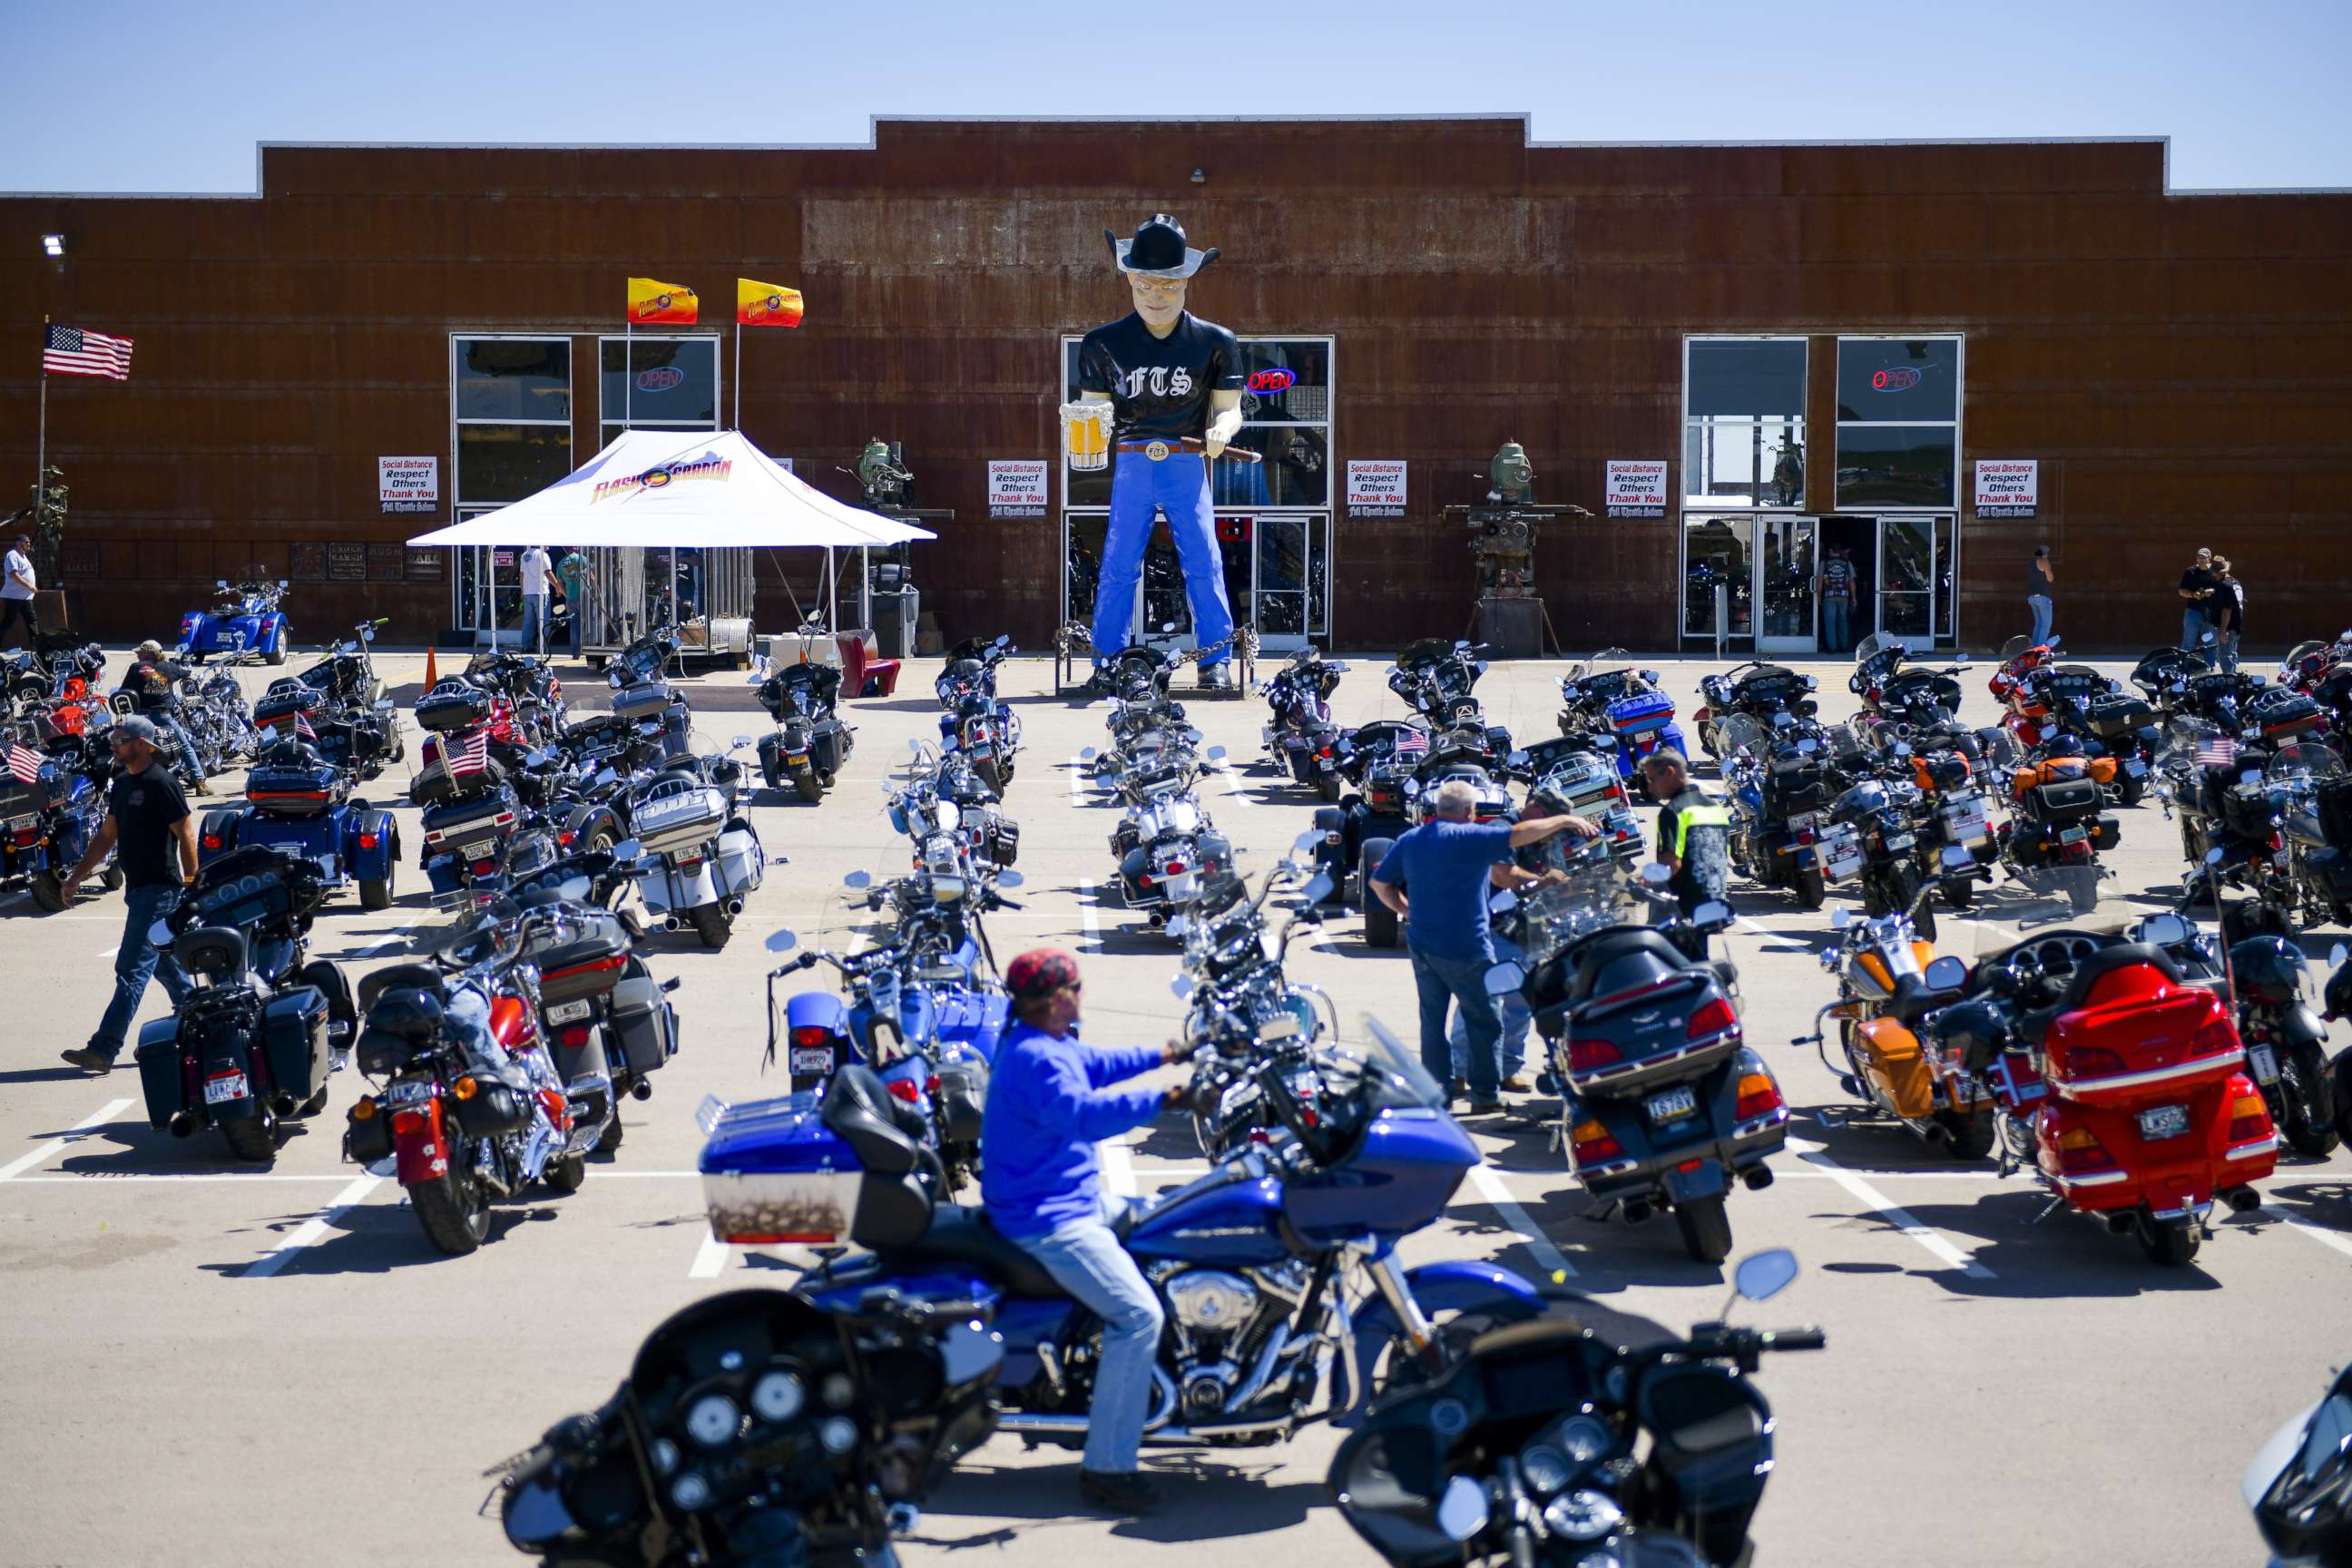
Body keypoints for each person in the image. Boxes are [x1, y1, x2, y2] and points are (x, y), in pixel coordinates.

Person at [980, 947, 1200, 1512]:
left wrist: (1169, 1052)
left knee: (1176, 1221)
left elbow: (1097, 1065)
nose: (1083, 994)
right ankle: (1107, 1466)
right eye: (1076, 988)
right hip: (1050, 1218)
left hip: (1069, 1199)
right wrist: (1171, 1097)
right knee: (1138, 1316)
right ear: (1057, 1000)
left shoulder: (1049, 1042)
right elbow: (1085, 1115)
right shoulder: (1036, 1058)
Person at [1063, 213, 1245, 693]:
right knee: (1119, 561)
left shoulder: (1216, 341)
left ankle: (1214, 661)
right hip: (1132, 458)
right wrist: (1085, 425)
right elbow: (1095, 410)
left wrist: (1221, 429)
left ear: (1186, 281)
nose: (1155, 295)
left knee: (1204, 559)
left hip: (1188, 457)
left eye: (1166, 285)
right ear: (1128, 279)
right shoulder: (1102, 344)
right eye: (1144, 284)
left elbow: (1231, 409)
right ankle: (1107, 660)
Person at [1369, 780, 1597, 1114]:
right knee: (1486, 1020)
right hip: (1468, 945)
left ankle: (1439, 1092)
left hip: (1423, 944)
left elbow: (1379, 883)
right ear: (1469, 811)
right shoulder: (1472, 837)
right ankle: (1485, 1096)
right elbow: (1520, 834)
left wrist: (1406, 911)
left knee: (1431, 1021)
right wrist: (1563, 821)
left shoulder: (1411, 839)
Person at [58, 717, 198, 1074]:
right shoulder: (121, 784)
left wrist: (191, 880)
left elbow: (186, 835)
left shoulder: (162, 783)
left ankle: (104, 1049)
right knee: (167, 968)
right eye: (113, 738)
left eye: (120, 739)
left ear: (142, 744)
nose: (113, 745)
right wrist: (75, 877)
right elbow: (106, 836)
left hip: (160, 891)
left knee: (131, 970)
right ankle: (204, 1024)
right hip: (138, 891)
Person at [1641, 750, 1730, 930]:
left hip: (1681, 911)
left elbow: (1671, 865)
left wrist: (1640, 882)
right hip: (1714, 905)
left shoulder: (1673, 811)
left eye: (1652, 780)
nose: (1650, 788)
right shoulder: (1715, 808)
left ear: (1669, 772)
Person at [119, 639, 208, 793]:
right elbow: (188, 673)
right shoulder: (169, 667)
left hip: (142, 717)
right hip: (164, 716)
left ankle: (127, 782)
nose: (138, 654)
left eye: (141, 651)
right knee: (185, 746)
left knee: (128, 746)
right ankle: (200, 782)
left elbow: (123, 691)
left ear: (148, 652)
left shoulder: (136, 668)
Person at [1817, 544, 1856, 653]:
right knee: (1843, 621)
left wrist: (1819, 597)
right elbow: (1851, 581)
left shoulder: (1824, 563)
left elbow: (1820, 581)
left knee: (1830, 622)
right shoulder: (1847, 563)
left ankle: (1832, 647)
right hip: (1844, 596)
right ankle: (1844, 646)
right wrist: (1854, 597)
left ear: (1830, 550)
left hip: (1829, 596)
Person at [1, 530, 37, 647]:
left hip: (25, 597)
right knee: (8, 621)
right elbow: (13, 574)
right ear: (18, 543)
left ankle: (36, 648)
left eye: (29, 542)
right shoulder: (12, 555)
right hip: (13, 597)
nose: (29, 544)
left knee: (32, 621)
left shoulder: (24, 557)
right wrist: (29, 585)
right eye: (26, 542)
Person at [517, 543, 554, 654]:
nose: (549, 545)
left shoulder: (525, 555)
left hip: (528, 593)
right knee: (543, 622)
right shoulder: (543, 555)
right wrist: (558, 587)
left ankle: (526, 646)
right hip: (540, 593)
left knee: (528, 621)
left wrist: (522, 591)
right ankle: (543, 646)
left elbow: (521, 575)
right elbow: (548, 572)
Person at [2209, 555, 2243, 672]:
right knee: (2231, 655)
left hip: (2228, 627)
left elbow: (2227, 610)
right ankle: (2233, 680)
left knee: (2225, 659)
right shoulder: (2234, 582)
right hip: (2236, 625)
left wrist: (2223, 631)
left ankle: (2230, 686)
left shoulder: (2223, 585)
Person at [555, 546, 591, 658]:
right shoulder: (582, 559)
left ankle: (575, 654)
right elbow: (592, 577)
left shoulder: (560, 564)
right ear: (574, 547)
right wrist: (597, 593)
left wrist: (567, 596)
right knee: (588, 624)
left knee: (574, 626)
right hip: (584, 597)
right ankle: (588, 649)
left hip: (570, 598)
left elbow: (559, 585)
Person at [2179, 546, 2216, 652]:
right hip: (2192, 612)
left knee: (2210, 642)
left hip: (2209, 613)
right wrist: (2193, 595)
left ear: (2209, 558)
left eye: (2204, 557)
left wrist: (2212, 592)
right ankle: (2186, 667)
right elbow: (2181, 591)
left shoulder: (2214, 573)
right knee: (2188, 642)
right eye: (2199, 557)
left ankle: (2210, 667)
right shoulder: (2190, 572)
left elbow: (2222, 589)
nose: (2201, 560)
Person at [2028, 545, 2054, 647]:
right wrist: (2048, 567)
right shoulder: (2044, 562)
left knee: (2038, 624)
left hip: (2032, 597)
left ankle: (2034, 648)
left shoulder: (2030, 563)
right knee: (2046, 625)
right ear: (2045, 554)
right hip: (2043, 597)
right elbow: (2050, 578)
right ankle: (2039, 650)